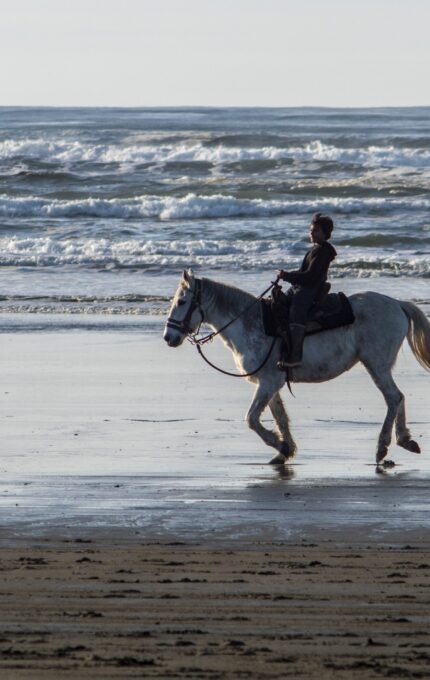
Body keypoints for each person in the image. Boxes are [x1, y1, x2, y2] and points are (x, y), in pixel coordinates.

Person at [276, 212, 337, 369]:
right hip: (301, 287)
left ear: (325, 234)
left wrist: (288, 276)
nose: (311, 233)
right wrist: (288, 276)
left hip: (311, 289)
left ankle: (295, 355)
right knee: (276, 300)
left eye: (316, 231)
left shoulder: (323, 252)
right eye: (311, 230)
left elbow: (310, 276)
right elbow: (303, 272)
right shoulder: (315, 250)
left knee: (296, 312)